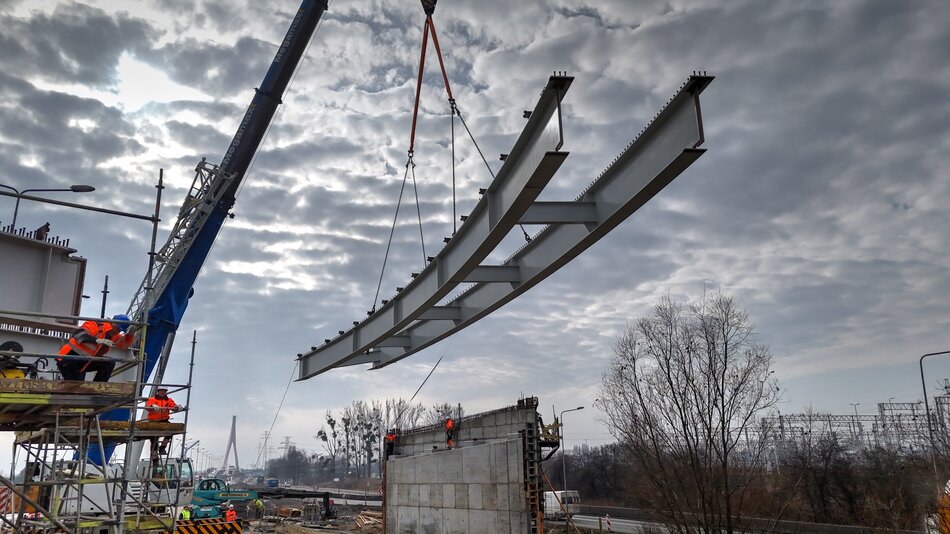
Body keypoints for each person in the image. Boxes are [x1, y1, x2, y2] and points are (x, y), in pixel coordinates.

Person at [57, 314, 135, 382]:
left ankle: (97, 389)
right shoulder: (95, 325)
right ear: (113, 322)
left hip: (83, 362)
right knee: (74, 388)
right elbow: (79, 335)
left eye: (119, 330)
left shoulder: (113, 335)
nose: (117, 331)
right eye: (117, 328)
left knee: (108, 363)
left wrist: (130, 334)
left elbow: (124, 345)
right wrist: (97, 340)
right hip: (68, 359)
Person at [145, 386, 182, 455]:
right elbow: (147, 407)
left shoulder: (168, 400)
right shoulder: (152, 399)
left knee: (170, 432)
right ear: (158, 391)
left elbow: (173, 406)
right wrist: (152, 406)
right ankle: (155, 459)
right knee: (154, 440)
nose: (163, 392)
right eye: (161, 390)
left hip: (164, 420)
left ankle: (163, 447)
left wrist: (177, 407)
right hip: (154, 421)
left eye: (164, 391)